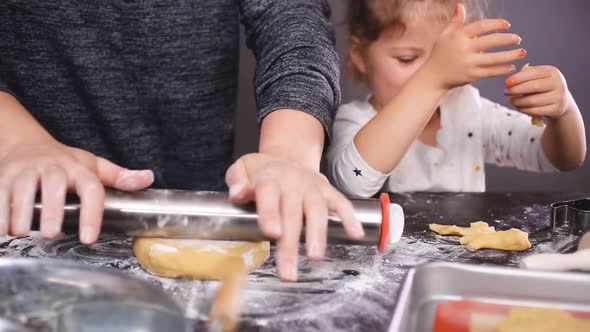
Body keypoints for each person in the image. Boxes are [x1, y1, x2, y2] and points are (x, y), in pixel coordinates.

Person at [0, 0, 364, 282]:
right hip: (22, 213)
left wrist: (289, 153)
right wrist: (17, 142)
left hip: (203, 221)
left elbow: (293, 22)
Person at [328, 0, 586, 198]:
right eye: (407, 58)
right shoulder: (355, 120)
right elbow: (353, 182)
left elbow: (562, 159)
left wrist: (563, 112)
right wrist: (432, 78)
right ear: (359, 54)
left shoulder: (469, 114)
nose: (427, 71)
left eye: (441, 60)